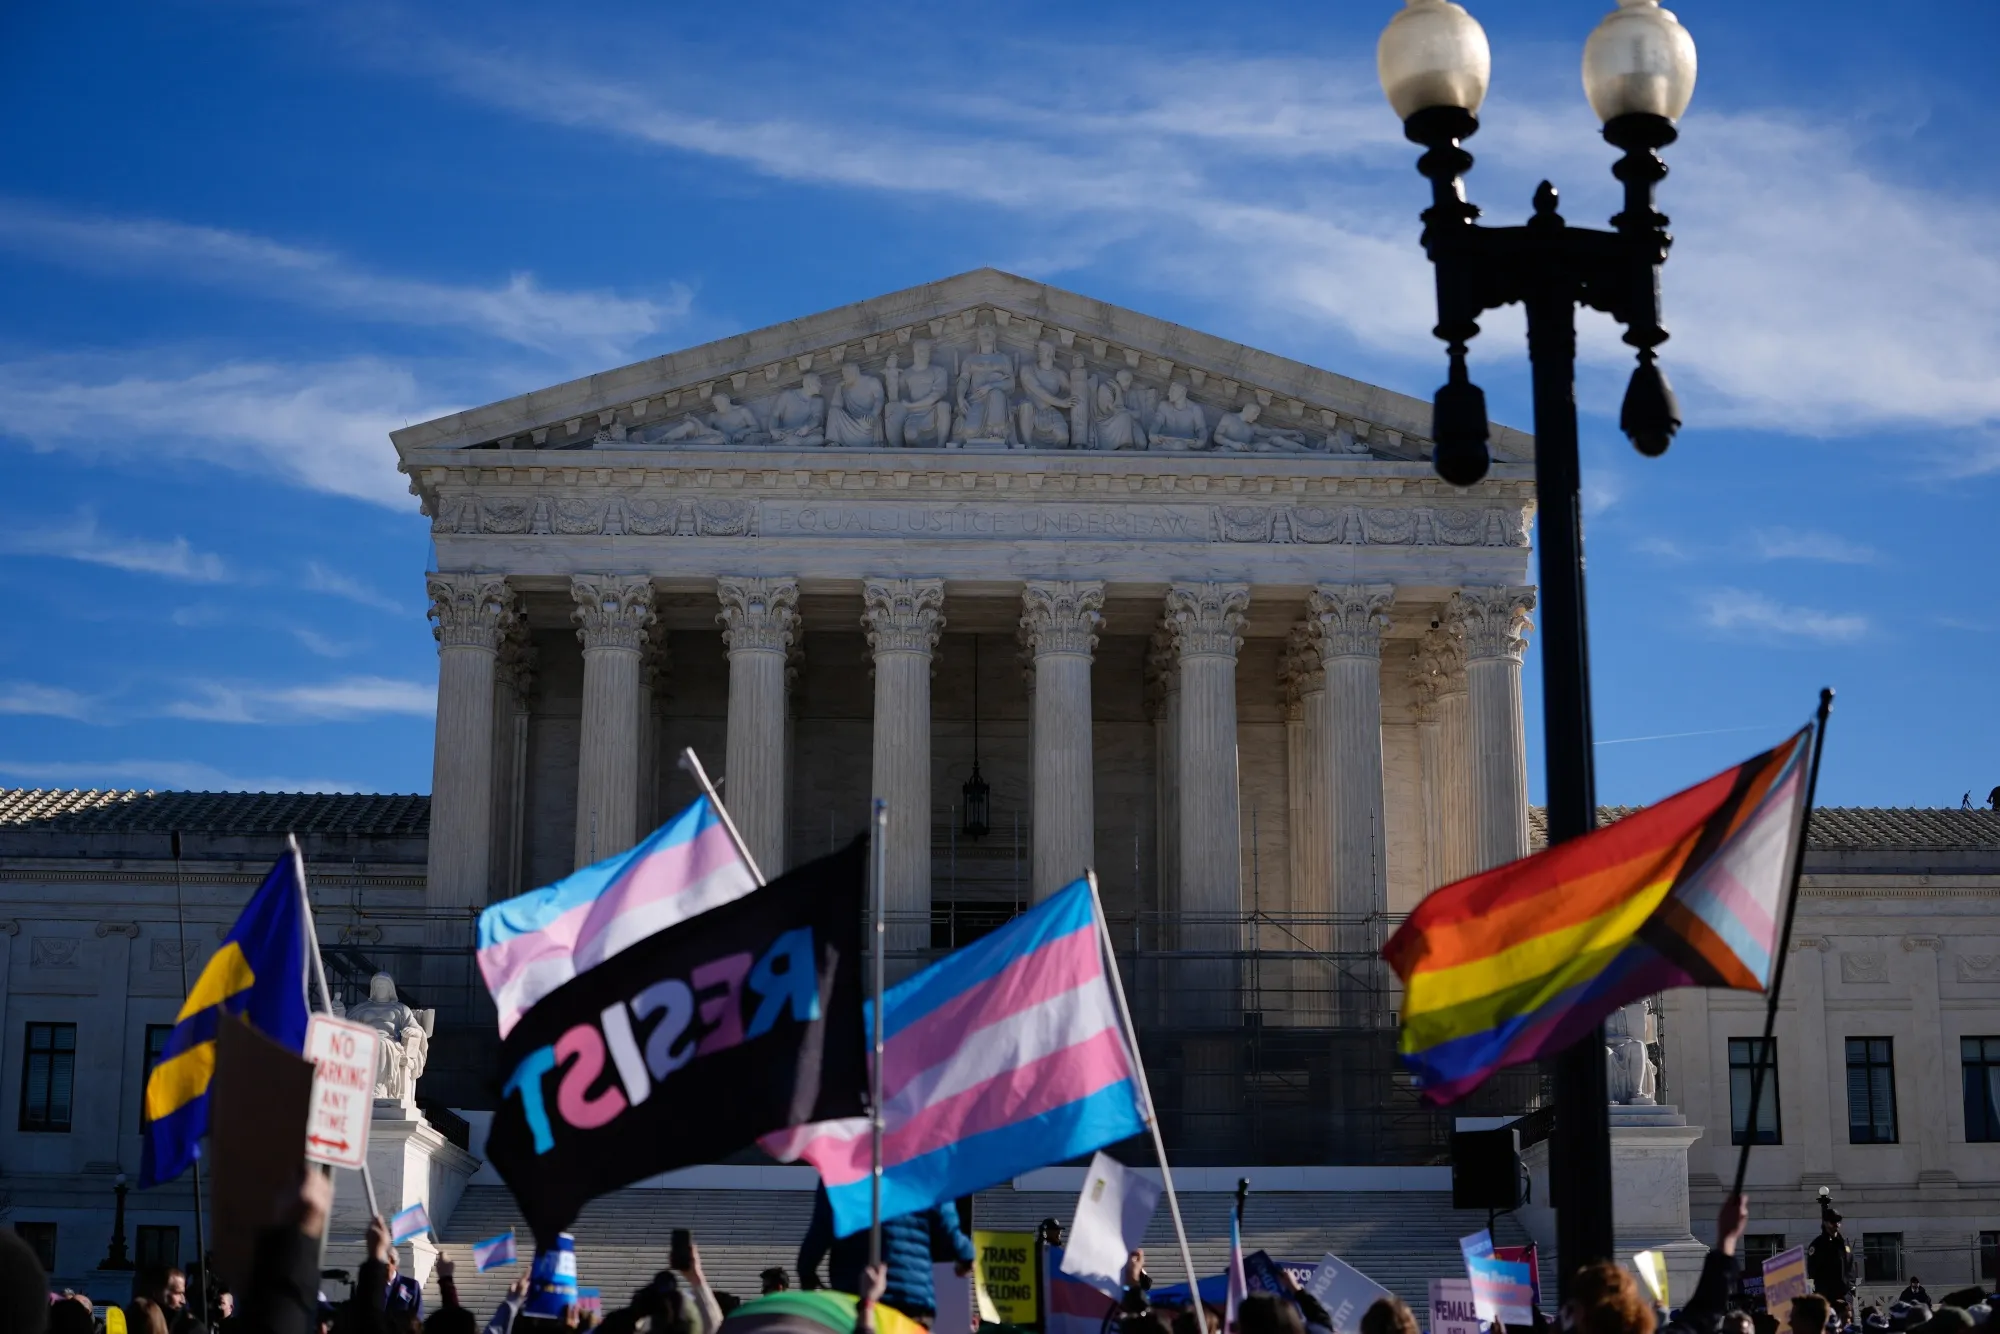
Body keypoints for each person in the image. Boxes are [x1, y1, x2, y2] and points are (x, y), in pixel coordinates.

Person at [798, 1186, 974, 1325]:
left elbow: (820, 1229)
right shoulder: (924, 1168)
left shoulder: (840, 1171)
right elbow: (947, 1226)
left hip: (855, 1293)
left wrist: (807, 1271)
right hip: (912, 1298)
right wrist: (965, 1254)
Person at [1807, 1211, 1858, 1320]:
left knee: (1847, 1325)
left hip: (1844, 1294)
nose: (1836, 1224)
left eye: (1838, 1221)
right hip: (1827, 1295)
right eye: (1833, 1221)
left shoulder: (1844, 1243)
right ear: (1825, 1223)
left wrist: (1851, 1287)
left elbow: (1850, 1266)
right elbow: (1812, 1270)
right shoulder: (1818, 1244)